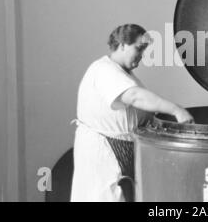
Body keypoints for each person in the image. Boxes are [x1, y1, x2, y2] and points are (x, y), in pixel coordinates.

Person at [71, 24, 194, 202]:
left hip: (121, 149)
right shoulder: (104, 70)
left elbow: (136, 109)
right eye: (138, 49)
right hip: (103, 150)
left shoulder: (124, 74)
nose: (142, 56)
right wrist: (176, 110)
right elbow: (135, 97)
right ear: (122, 44)